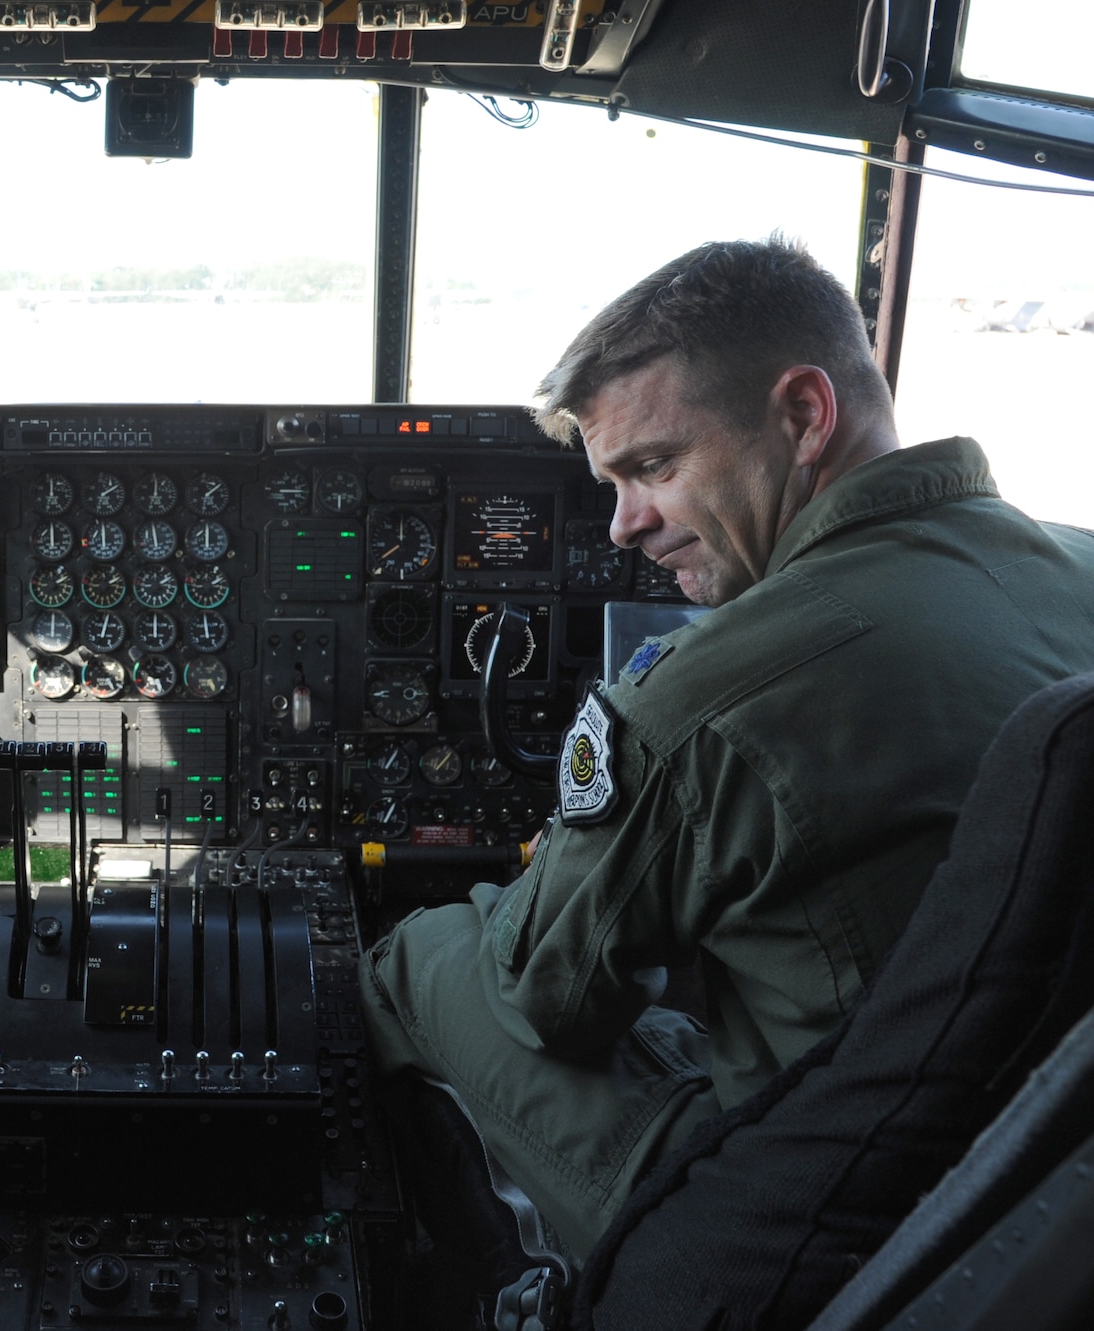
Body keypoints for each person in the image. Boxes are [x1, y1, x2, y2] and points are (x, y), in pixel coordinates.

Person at [360, 237, 1094, 1264]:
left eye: (653, 467)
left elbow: (546, 996)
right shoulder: (1076, 562)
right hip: (1042, 1167)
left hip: (835, 1213)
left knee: (417, 955)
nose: (624, 526)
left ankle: (521, 1288)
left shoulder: (710, 692)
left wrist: (510, 896)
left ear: (803, 414)